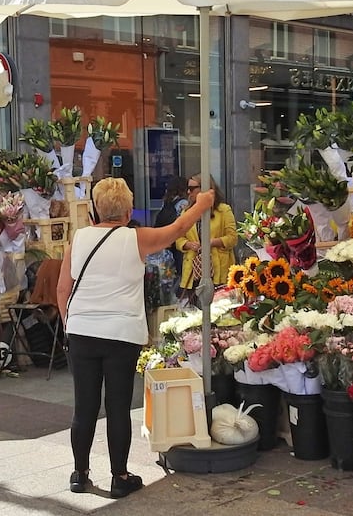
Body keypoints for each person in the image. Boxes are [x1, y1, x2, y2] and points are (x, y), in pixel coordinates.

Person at [56, 177, 214, 498]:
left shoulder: (78, 240)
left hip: (82, 332)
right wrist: (201, 205)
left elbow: (63, 289)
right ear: (128, 210)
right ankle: (119, 476)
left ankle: (79, 473)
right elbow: (177, 229)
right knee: (117, 406)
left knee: (83, 406)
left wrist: (70, 322)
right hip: (121, 335)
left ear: (96, 210)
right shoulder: (136, 238)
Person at [175, 175, 238, 302]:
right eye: (188, 188)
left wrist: (212, 242)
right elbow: (178, 238)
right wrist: (188, 244)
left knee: (219, 311)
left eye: (192, 188)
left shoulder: (223, 210)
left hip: (218, 271)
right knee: (194, 313)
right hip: (194, 271)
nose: (188, 192)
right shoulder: (187, 212)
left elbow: (233, 238)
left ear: (204, 189)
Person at [153, 176, 189, 277]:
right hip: (176, 243)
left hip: (164, 241)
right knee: (179, 272)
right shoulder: (183, 203)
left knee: (168, 273)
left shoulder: (166, 202)